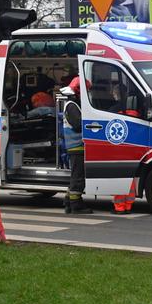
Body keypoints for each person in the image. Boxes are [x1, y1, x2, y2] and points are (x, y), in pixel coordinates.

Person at [60, 77, 92, 214]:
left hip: (76, 146)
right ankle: (76, 205)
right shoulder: (72, 106)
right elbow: (78, 125)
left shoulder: (74, 104)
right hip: (76, 146)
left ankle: (68, 201)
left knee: (76, 175)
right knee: (78, 177)